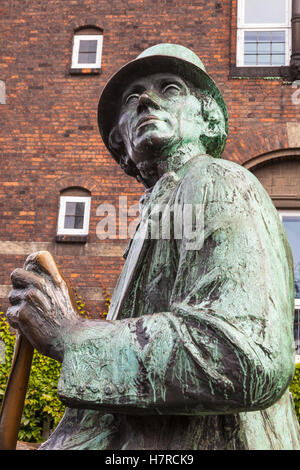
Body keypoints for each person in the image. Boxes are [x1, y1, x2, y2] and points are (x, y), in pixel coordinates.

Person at [7, 44, 300, 450]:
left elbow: (245, 354)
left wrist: (72, 335)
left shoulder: (216, 181)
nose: (147, 99)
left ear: (206, 116)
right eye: (133, 98)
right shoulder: (155, 213)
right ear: (120, 140)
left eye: (171, 88)